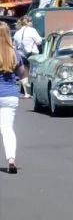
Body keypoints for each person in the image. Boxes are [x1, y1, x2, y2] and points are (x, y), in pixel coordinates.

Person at [0, 23, 24, 174]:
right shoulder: (14, 53)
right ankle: (11, 159)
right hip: (9, 95)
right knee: (7, 129)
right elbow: (21, 74)